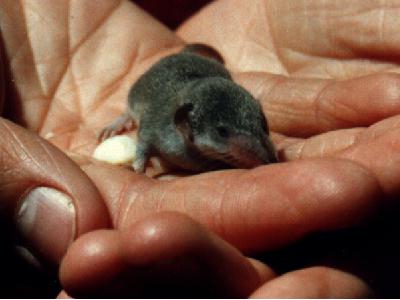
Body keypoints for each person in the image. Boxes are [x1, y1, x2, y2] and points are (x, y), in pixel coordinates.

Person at [0, 0, 399, 297]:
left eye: (259, 127)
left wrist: (247, 139)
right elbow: (147, 140)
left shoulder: (228, 99)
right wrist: (138, 159)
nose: (258, 153)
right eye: (224, 137)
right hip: (161, 86)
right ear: (187, 127)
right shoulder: (164, 125)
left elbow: (248, 133)